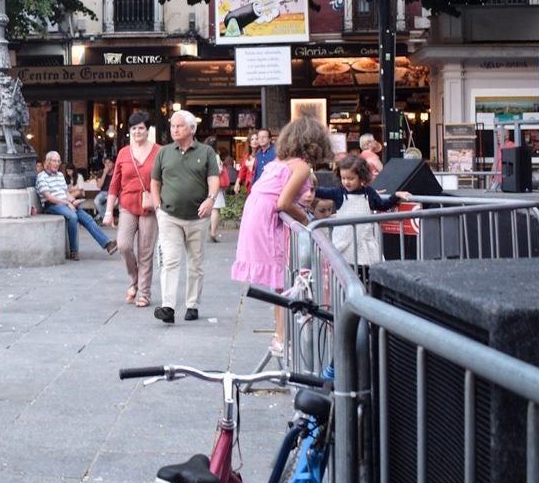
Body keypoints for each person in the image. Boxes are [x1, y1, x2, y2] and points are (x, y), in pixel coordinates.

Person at [231, 115, 332, 355]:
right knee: (282, 278)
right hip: (266, 216)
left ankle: (281, 336)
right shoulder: (301, 166)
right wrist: (307, 220)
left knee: (281, 280)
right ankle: (281, 336)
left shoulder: (281, 160)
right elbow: (283, 202)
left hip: (257, 211)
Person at [149, 110, 221, 323]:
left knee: (195, 263)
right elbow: (155, 182)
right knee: (170, 260)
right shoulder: (164, 152)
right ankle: (168, 306)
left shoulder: (206, 151)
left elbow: (213, 178)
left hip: (197, 217)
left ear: (192, 128)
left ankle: (192, 304)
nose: (174, 129)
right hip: (169, 215)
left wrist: (211, 199)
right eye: (172, 126)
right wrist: (157, 206)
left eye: (179, 126)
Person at [311, 154, 409, 271]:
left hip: (363, 240)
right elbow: (319, 192)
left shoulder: (369, 193)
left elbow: (382, 205)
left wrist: (395, 196)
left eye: (351, 178)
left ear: (361, 177)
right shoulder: (338, 192)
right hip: (343, 241)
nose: (346, 182)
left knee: (366, 270)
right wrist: (304, 185)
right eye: (343, 178)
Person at [103, 111, 159, 308]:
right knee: (124, 245)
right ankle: (134, 280)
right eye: (134, 128)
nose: (137, 131)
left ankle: (144, 292)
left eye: (141, 128)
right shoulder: (123, 153)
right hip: (127, 205)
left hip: (150, 207)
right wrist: (109, 211)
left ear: (148, 130)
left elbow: (166, 180)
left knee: (145, 252)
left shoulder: (159, 151)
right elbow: (114, 184)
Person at [35, 151, 116, 260]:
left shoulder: (59, 175)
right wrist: (68, 203)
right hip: (52, 205)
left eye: (59, 161)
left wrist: (72, 201)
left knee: (87, 218)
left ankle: (107, 244)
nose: (57, 163)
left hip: (65, 204)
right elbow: (49, 197)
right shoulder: (41, 177)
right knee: (73, 216)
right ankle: (73, 251)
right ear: (48, 162)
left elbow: (66, 193)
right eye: (54, 161)